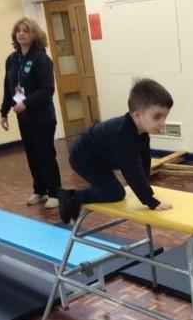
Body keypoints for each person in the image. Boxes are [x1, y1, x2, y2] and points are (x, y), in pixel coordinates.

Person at [58, 78, 173, 223]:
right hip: (83, 157)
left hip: (99, 157)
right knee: (115, 193)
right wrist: (151, 202)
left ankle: (75, 199)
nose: (162, 123)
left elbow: (144, 161)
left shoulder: (142, 133)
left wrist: (147, 188)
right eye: (157, 117)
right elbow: (132, 171)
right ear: (137, 115)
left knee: (115, 190)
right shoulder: (124, 136)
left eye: (164, 117)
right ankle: (71, 197)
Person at [0, 17, 61, 209]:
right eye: (18, 31)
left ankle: (55, 192)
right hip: (24, 118)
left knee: (45, 154)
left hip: (42, 117)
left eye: (26, 31)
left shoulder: (41, 59)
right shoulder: (12, 59)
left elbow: (47, 89)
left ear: (34, 34)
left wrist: (26, 104)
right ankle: (40, 190)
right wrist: (4, 112)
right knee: (32, 155)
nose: (21, 34)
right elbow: (8, 87)